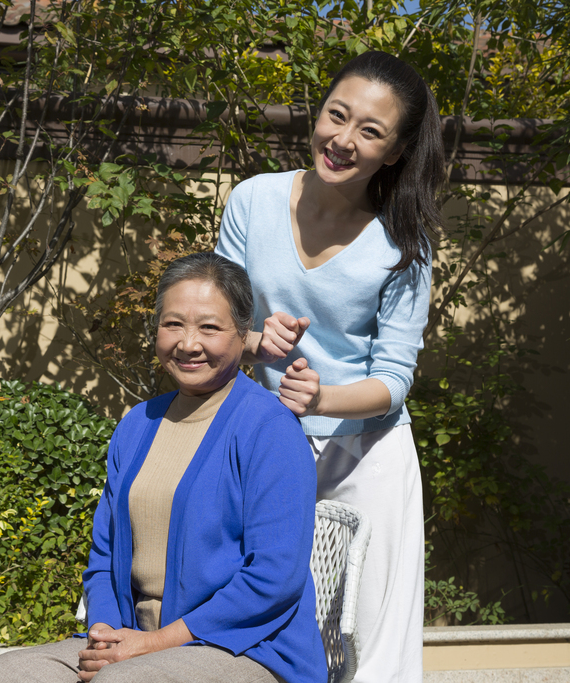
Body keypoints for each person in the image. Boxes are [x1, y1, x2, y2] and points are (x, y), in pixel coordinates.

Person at [0, 252, 326, 683]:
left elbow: (274, 578)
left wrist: (153, 645)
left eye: (210, 327)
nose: (188, 343)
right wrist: (105, 634)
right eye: (173, 324)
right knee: (13, 672)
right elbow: (103, 557)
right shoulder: (136, 425)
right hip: (135, 636)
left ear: (243, 336)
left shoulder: (269, 428)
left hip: (246, 646)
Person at [216, 50, 444, 683]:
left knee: (372, 649)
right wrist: (256, 339)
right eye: (335, 116)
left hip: (368, 453)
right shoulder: (253, 201)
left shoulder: (405, 246)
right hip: (269, 444)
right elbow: (218, 322)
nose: (343, 140)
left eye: (369, 131)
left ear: (394, 152)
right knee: (264, 624)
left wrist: (320, 401)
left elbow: (393, 382)